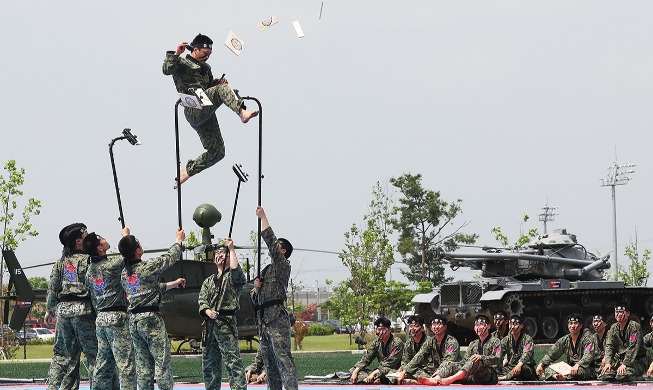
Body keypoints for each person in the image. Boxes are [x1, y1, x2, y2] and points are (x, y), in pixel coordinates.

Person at [162, 33, 259, 187]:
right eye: (205, 53)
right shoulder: (181, 63)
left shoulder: (206, 68)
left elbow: (207, 88)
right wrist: (176, 53)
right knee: (222, 89)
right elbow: (166, 69)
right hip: (193, 108)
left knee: (218, 152)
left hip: (205, 109)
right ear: (195, 49)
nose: (207, 57)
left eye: (210, 55)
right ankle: (242, 112)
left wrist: (217, 82)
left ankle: (186, 172)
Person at [119, 228, 186, 390]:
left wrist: (174, 283)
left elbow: (149, 289)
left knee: (143, 366)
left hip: (134, 321)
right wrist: (179, 240)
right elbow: (170, 258)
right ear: (137, 250)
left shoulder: (124, 274)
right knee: (161, 362)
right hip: (150, 319)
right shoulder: (147, 267)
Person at [45, 223, 98, 390]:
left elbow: (53, 288)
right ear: (79, 241)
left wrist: (49, 310)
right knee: (94, 356)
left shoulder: (60, 263)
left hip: (63, 314)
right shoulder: (89, 261)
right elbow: (96, 288)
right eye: (87, 236)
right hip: (84, 313)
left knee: (63, 357)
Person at [251, 206, 298, 390]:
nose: (274, 249)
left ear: (283, 251)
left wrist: (263, 218)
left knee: (283, 360)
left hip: (276, 318)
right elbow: (254, 298)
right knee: (270, 365)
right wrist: (256, 289)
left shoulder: (282, 267)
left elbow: (271, 244)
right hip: (264, 321)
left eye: (278, 247)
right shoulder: (266, 270)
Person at [83, 229, 136, 390]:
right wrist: (126, 236)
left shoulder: (89, 272)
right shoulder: (112, 265)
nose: (105, 239)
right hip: (116, 317)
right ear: (100, 248)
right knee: (126, 363)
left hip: (101, 320)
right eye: (102, 239)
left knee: (103, 363)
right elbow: (131, 253)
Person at [198, 239, 247, 390]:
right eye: (217, 254)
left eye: (222, 253)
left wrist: (231, 249)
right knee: (210, 363)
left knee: (233, 361)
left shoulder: (232, 278)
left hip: (226, 323)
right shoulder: (208, 281)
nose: (220, 255)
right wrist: (207, 310)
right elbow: (202, 299)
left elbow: (237, 272)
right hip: (209, 325)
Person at [419, 315, 501, 386]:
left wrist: (482, 358)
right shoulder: (473, 344)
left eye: (481, 324)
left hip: (489, 376)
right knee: (450, 365)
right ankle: (434, 379)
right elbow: (465, 361)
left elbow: (498, 359)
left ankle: (451, 379)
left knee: (475, 360)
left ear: (489, 326)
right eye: (476, 325)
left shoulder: (495, 341)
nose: (479, 327)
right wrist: (454, 364)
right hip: (473, 376)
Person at [536, 313, 594, 381]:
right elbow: (551, 354)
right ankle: (556, 376)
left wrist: (578, 364)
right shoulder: (565, 339)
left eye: (575, 323)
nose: (572, 326)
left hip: (583, 367)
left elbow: (588, 355)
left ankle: (564, 378)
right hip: (570, 367)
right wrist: (541, 364)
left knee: (580, 371)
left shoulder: (587, 339)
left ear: (581, 325)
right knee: (546, 365)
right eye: (570, 323)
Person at [599, 304, 648, 382]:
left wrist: (625, 364)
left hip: (637, 360)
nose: (618, 314)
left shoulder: (634, 326)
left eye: (621, 312)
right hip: (620, 360)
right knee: (605, 375)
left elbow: (633, 347)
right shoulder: (614, 327)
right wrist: (608, 362)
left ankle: (638, 377)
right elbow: (609, 346)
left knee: (622, 376)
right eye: (616, 312)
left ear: (628, 313)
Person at [404, 316, 461, 381]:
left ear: (445, 327)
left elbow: (449, 360)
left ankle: (432, 380)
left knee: (449, 365)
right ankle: (430, 380)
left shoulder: (451, 342)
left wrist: (438, 372)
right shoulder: (430, 341)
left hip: (450, 372)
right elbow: (420, 355)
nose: (436, 327)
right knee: (412, 370)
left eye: (439, 324)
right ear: (431, 328)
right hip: (435, 372)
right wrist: (405, 371)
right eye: (434, 324)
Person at [349, 317, 403, 384]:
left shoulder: (397, 342)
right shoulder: (376, 342)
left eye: (383, 330)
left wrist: (374, 373)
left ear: (389, 330)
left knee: (389, 374)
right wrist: (355, 372)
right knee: (354, 370)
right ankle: (370, 379)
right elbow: (366, 359)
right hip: (380, 371)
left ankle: (371, 379)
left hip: (393, 370)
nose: (381, 332)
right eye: (379, 329)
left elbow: (390, 364)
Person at [392, 315, 432, 384]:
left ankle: (417, 381)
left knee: (413, 372)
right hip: (412, 370)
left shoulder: (429, 342)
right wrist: (401, 370)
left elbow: (420, 359)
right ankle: (414, 381)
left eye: (416, 326)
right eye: (410, 326)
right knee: (392, 374)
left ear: (422, 328)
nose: (412, 329)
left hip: (427, 371)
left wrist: (405, 371)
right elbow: (405, 361)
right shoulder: (408, 343)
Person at [498, 315, 536, 381]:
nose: (512, 327)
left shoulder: (528, 339)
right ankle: (507, 376)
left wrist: (519, 365)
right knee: (497, 369)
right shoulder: (506, 340)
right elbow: (499, 352)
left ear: (521, 326)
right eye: (510, 324)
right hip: (511, 366)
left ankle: (504, 378)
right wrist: (502, 364)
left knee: (522, 369)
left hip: (525, 367)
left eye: (515, 324)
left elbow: (527, 354)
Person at [589, 313, 608, 378]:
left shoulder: (611, 336)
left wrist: (607, 358)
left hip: (608, 364)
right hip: (595, 366)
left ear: (605, 324)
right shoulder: (592, 338)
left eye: (599, 321)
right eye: (594, 321)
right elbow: (587, 352)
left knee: (605, 376)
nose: (596, 324)